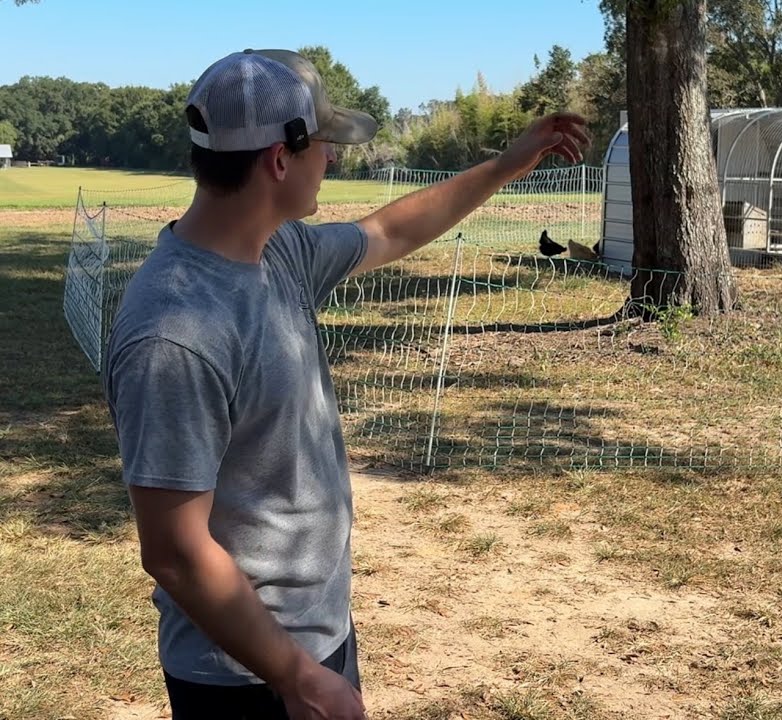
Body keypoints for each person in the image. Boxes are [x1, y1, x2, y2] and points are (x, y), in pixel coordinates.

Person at [102, 48, 588, 720]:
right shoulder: (175, 333)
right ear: (279, 160)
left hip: (311, 642)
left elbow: (390, 229)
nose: (330, 159)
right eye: (322, 145)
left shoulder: (280, 252)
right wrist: (297, 678)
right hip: (241, 677)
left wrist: (507, 165)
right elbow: (176, 553)